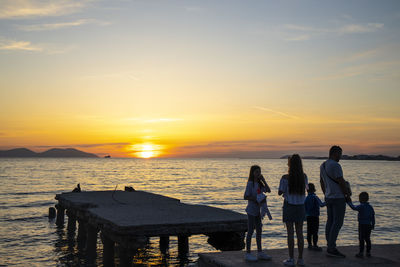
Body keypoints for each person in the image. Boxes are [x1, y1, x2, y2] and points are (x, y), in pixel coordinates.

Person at [320, 145, 351, 258]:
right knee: (337, 222)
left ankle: (330, 244)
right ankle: (331, 247)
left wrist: (325, 193)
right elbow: (341, 181)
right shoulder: (336, 165)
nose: (340, 156)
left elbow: (321, 181)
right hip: (338, 197)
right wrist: (347, 195)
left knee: (330, 221)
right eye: (339, 154)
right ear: (334, 153)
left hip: (329, 197)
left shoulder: (323, 165)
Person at [279, 154, 308, 266]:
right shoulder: (304, 176)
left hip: (289, 205)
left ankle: (291, 258)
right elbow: (306, 188)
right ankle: (300, 259)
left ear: (290, 164)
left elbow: (280, 192)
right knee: (299, 233)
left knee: (290, 233)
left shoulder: (285, 178)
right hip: (301, 206)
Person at [243, 165, 272, 261]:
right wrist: (256, 199)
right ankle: (248, 253)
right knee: (250, 230)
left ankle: (260, 252)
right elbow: (246, 196)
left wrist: (263, 180)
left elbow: (268, 190)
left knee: (259, 230)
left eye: (259, 172)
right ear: (252, 173)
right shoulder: (250, 183)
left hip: (258, 210)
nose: (258, 173)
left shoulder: (259, 183)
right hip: (251, 209)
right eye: (256, 172)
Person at [348, 192, 375, 258]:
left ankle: (361, 253)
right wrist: (373, 224)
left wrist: (348, 202)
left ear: (361, 199)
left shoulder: (361, 206)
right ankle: (368, 252)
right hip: (368, 225)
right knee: (367, 239)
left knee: (361, 239)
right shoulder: (370, 207)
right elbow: (373, 217)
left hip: (362, 225)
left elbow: (353, 208)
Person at [304, 183, 326, 251]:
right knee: (315, 231)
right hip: (315, 217)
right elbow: (321, 205)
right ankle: (315, 245)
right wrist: (328, 201)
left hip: (308, 217)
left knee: (309, 231)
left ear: (307, 190)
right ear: (314, 189)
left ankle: (309, 245)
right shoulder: (315, 197)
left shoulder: (306, 198)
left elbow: (304, 208)